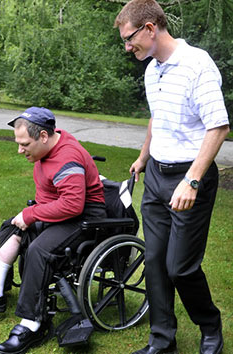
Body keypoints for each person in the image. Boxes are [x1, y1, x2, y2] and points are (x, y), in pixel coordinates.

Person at [114, 1, 230, 353]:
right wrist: (143, 156)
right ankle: (161, 340)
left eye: (129, 38)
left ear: (150, 28)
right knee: (154, 263)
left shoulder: (197, 65)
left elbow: (219, 126)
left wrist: (192, 180)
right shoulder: (153, 69)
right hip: (156, 179)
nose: (127, 46)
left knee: (180, 267)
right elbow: (156, 117)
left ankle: (210, 326)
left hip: (188, 180)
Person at [0, 107, 106, 354]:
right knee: (11, 227)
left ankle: (33, 324)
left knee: (40, 250)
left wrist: (31, 215)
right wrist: (27, 219)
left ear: (42, 136)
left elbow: (73, 204)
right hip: (58, 210)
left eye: (24, 144)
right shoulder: (48, 145)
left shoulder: (67, 157)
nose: (20, 150)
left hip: (84, 218)